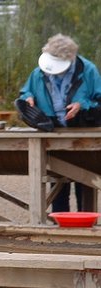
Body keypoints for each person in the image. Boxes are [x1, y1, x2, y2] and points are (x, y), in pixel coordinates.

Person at [18, 33, 101, 212]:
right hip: (52, 134)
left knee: (85, 181)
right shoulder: (38, 71)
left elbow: (99, 99)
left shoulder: (88, 70)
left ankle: (85, 225)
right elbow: (25, 92)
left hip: (83, 135)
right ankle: (59, 224)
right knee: (57, 180)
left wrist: (82, 104)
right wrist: (28, 98)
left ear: (70, 58)